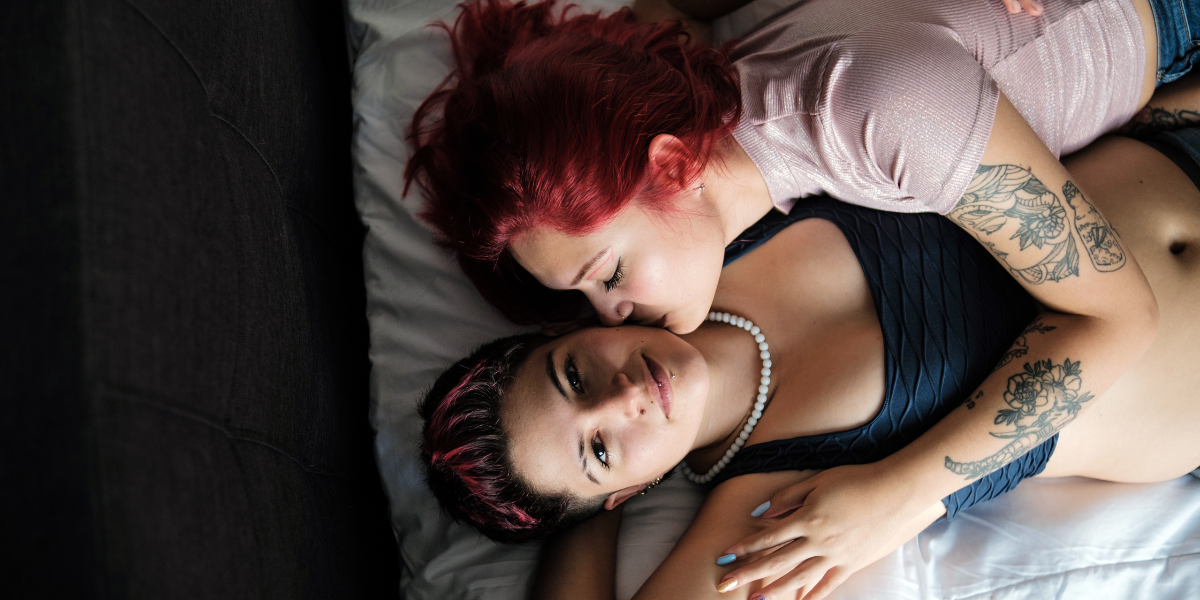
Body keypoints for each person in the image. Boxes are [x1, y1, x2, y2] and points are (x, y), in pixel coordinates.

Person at [404, 0, 1200, 595]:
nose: (624, 398)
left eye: (574, 374)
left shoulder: (738, 206)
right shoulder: (770, 504)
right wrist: (579, 508)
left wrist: (906, 495)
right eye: (601, 449)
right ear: (626, 495)